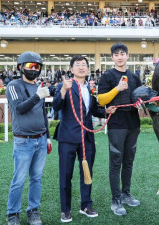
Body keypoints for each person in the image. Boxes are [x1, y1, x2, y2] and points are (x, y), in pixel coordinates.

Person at [53, 56, 116, 223]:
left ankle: (86, 205)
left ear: (88, 70)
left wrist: (106, 111)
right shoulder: (64, 85)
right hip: (68, 137)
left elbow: (93, 109)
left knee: (87, 173)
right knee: (66, 174)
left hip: (87, 137)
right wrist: (63, 91)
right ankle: (65, 210)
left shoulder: (88, 88)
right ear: (71, 69)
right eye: (77, 65)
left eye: (84, 65)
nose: (81, 67)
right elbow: (56, 106)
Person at [5, 51, 51, 225]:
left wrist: (47, 136)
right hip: (23, 140)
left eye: (37, 66)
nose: (33, 69)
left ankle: (33, 210)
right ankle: (12, 213)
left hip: (40, 139)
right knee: (19, 179)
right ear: (20, 67)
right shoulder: (13, 86)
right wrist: (37, 96)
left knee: (36, 178)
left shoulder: (38, 86)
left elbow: (43, 113)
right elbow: (19, 109)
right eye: (30, 66)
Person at [97, 42, 142, 216]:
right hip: (116, 124)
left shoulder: (134, 77)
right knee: (116, 162)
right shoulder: (107, 76)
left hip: (133, 122)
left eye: (123, 53)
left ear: (128, 56)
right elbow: (101, 100)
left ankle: (125, 194)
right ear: (112, 57)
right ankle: (115, 199)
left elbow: (140, 96)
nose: (120, 56)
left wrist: (141, 102)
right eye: (116, 54)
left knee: (129, 161)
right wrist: (117, 89)